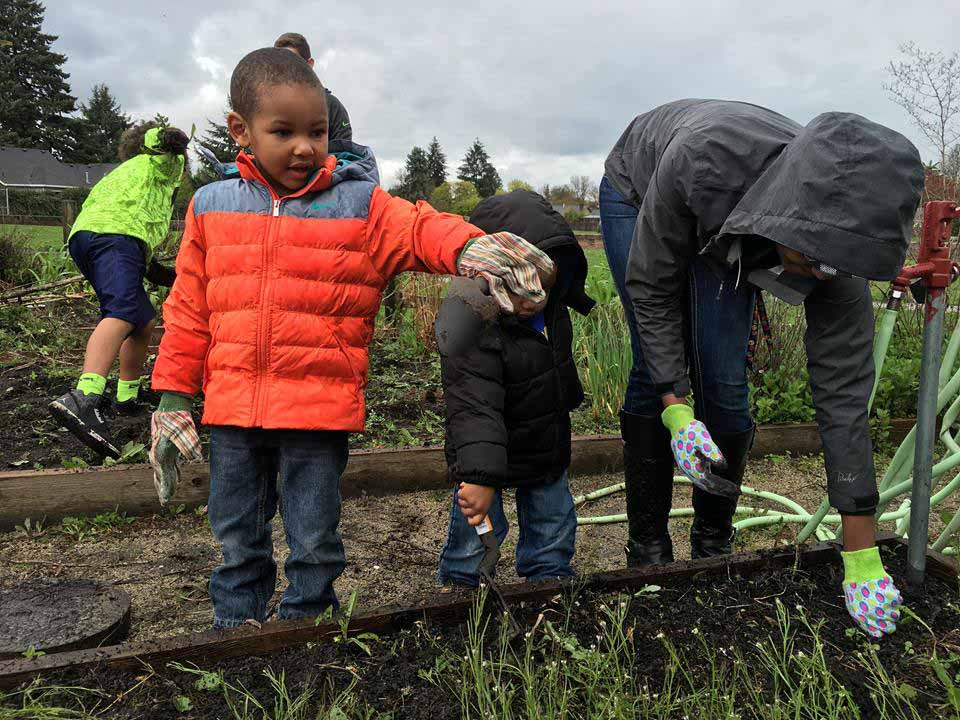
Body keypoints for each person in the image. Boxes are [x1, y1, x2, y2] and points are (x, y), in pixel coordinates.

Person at [147, 47, 552, 628]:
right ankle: (234, 633)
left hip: (316, 413)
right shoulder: (211, 207)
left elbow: (419, 228)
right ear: (241, 130)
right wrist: (173, 396)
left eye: (317, 132)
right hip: (233, 411)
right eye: (283, 132)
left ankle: (308, 626)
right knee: (237, 534)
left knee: (313, 537)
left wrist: (470, 247)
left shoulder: (358, 205)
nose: (305, 147)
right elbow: (189, 309)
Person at [601, 99, 923, 638]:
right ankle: (648, 546)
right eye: (813, 262)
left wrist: (861, 555)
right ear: (793, 223)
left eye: (837, 268)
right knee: (653, 361)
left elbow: (843, 398)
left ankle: (712, 541)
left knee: (724, 379)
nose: (823, 278)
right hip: (644, 183)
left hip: (749, 216)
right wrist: (676, 409)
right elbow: (652, 290)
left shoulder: (841, 243)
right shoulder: (701, 161)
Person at [435, 190, 595, 586]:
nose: (537, 293)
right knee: (479, 530)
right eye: (526, 280)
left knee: (552, 520)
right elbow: (472, 407)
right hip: (486, 452)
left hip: (544, 442)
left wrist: (567, 398)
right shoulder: (472, 322)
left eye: (546, 280)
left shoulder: (553, 311)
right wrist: (479, 476)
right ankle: (461, 587)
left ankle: (549, 578)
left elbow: (556, 366)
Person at [49, 122, 188, 459]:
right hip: (114, 237)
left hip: (95, 238)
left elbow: (144, 254)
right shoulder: (156, 161)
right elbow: (164, 140)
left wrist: (173, 275)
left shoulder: (132, 178)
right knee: (122, 312)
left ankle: (128, 397)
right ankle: (85, 397)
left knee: (142, 319)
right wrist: (175, 139)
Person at [274, 32, 352, 143]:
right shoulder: (265, 104)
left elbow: (345, 153)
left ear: (309, 64)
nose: (286, 69)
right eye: (280, 63)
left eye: (293, 62)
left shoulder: (332, 107)